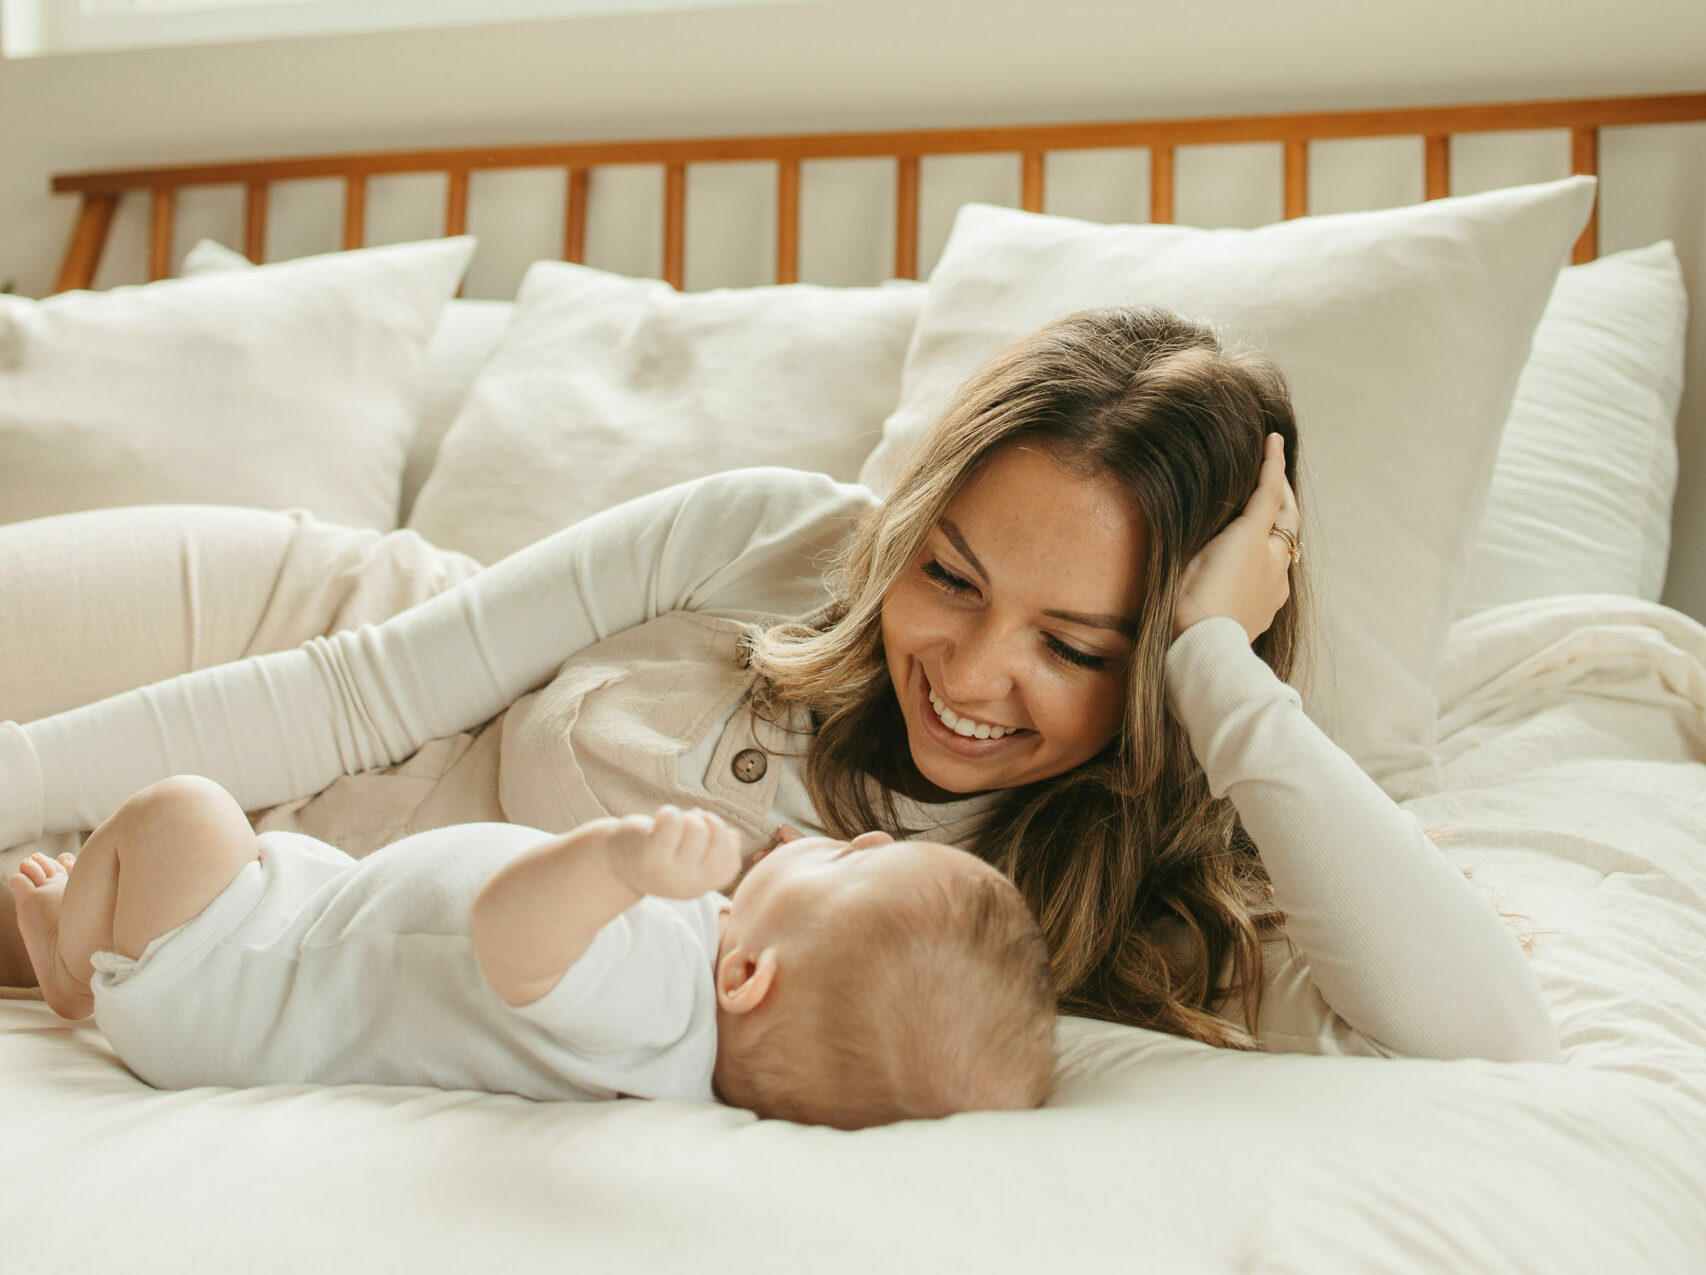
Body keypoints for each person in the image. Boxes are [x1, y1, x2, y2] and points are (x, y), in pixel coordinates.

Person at [0, 306, 1560, 1064]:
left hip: (223, 925)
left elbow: (1490, 1034)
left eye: (1077, 645)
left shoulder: (1126, 910)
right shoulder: (767, 535)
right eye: (948, 574)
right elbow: (357, 688)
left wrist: (1216, 667)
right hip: (277, 636)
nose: (972, 668)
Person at [9, 780, 1056, 1130]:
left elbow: (510, 939)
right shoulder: (672, 1048)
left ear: (749, 977)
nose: (861, 836)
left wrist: (620, 859)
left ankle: (69, 963)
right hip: (303, 936)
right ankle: (90, 940)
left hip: (231, 974)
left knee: (180, 813)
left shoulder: (656, 995)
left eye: (851, 864)